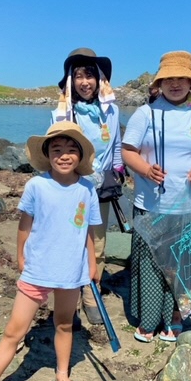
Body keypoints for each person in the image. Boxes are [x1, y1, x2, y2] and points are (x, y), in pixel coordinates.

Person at [0, 121, 99, 381]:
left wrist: (92, 264)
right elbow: (25, 225)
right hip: (38, 270)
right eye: (57, 149)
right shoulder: (36, 185)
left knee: (65, 324)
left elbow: (89, 231)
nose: (64, 155)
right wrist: (21, 256)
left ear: (81, 155)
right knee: (14, 331)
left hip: (71, 271)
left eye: (72, 149)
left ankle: (62, 377)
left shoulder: (87, 189)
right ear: (47, 154)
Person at [121, 51, 191, 343]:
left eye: (182, 78)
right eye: (169, 79)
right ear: (161, 82)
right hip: (152, 203)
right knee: (152, 262)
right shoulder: (146, 113)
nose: (176, 84)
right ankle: (150, 318)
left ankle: (177, 316)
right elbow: (127, 151)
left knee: (183, 264)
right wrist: (145, 168)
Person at [52, 47, 123, 325]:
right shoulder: (61, 113)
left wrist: (117, 170)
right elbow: (54, 153)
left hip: (101, 188)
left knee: (98, 242)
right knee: (69, 239)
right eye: (79, 76)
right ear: (70, 81)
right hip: (70, 186)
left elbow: (116, 144)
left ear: (100, 80)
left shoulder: (112, 111)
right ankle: (68, 289)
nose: (84, 82)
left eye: (90, 76)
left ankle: (91, 291)